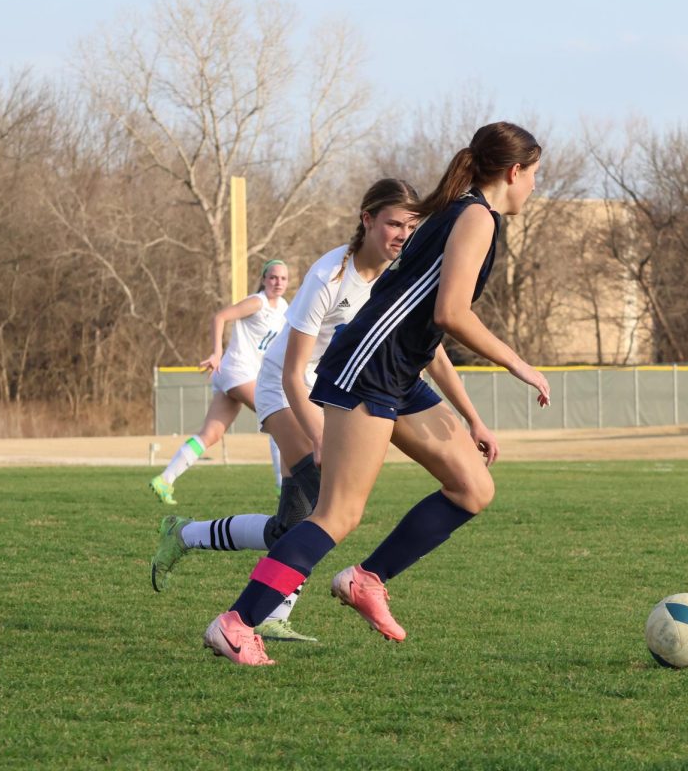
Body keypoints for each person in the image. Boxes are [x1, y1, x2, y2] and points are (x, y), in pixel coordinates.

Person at [201, 122, 551, 665]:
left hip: (398, 371)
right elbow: (450, 314)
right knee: (336, 514)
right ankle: (237, 623)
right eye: (534, 175)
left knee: (472, 487)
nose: (534, 187)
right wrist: (518, 362)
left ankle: (367, 580)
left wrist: (472, 417)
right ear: (514, 172)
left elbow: (424, 325)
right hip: (370, 368)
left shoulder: (467, 213)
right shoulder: (476, 216)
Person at [151, 179, 499, 645]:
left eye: (411, 225)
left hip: (347, 385)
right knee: (319, 504)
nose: (402, 234)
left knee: (292, 524)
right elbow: (293, 372)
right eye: (393, 223)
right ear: (367, 219)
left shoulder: (401, 271)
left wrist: (471, 415)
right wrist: (318, 437)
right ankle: (263, 613)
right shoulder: (329, 275)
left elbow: (429, 351)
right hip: (285, 388)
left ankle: (188, 536)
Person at [149, 261, 290, 505]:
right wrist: (216, 353)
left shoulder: (285, 308)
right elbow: (220, 317)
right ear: (264, 279)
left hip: (239, 374)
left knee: (210, 434)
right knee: (278, 416)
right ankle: (282, 488)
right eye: (273, 277)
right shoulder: (258, 302)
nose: (278, 282)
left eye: (283, 279)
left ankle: (165, 480)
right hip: (236, 370)